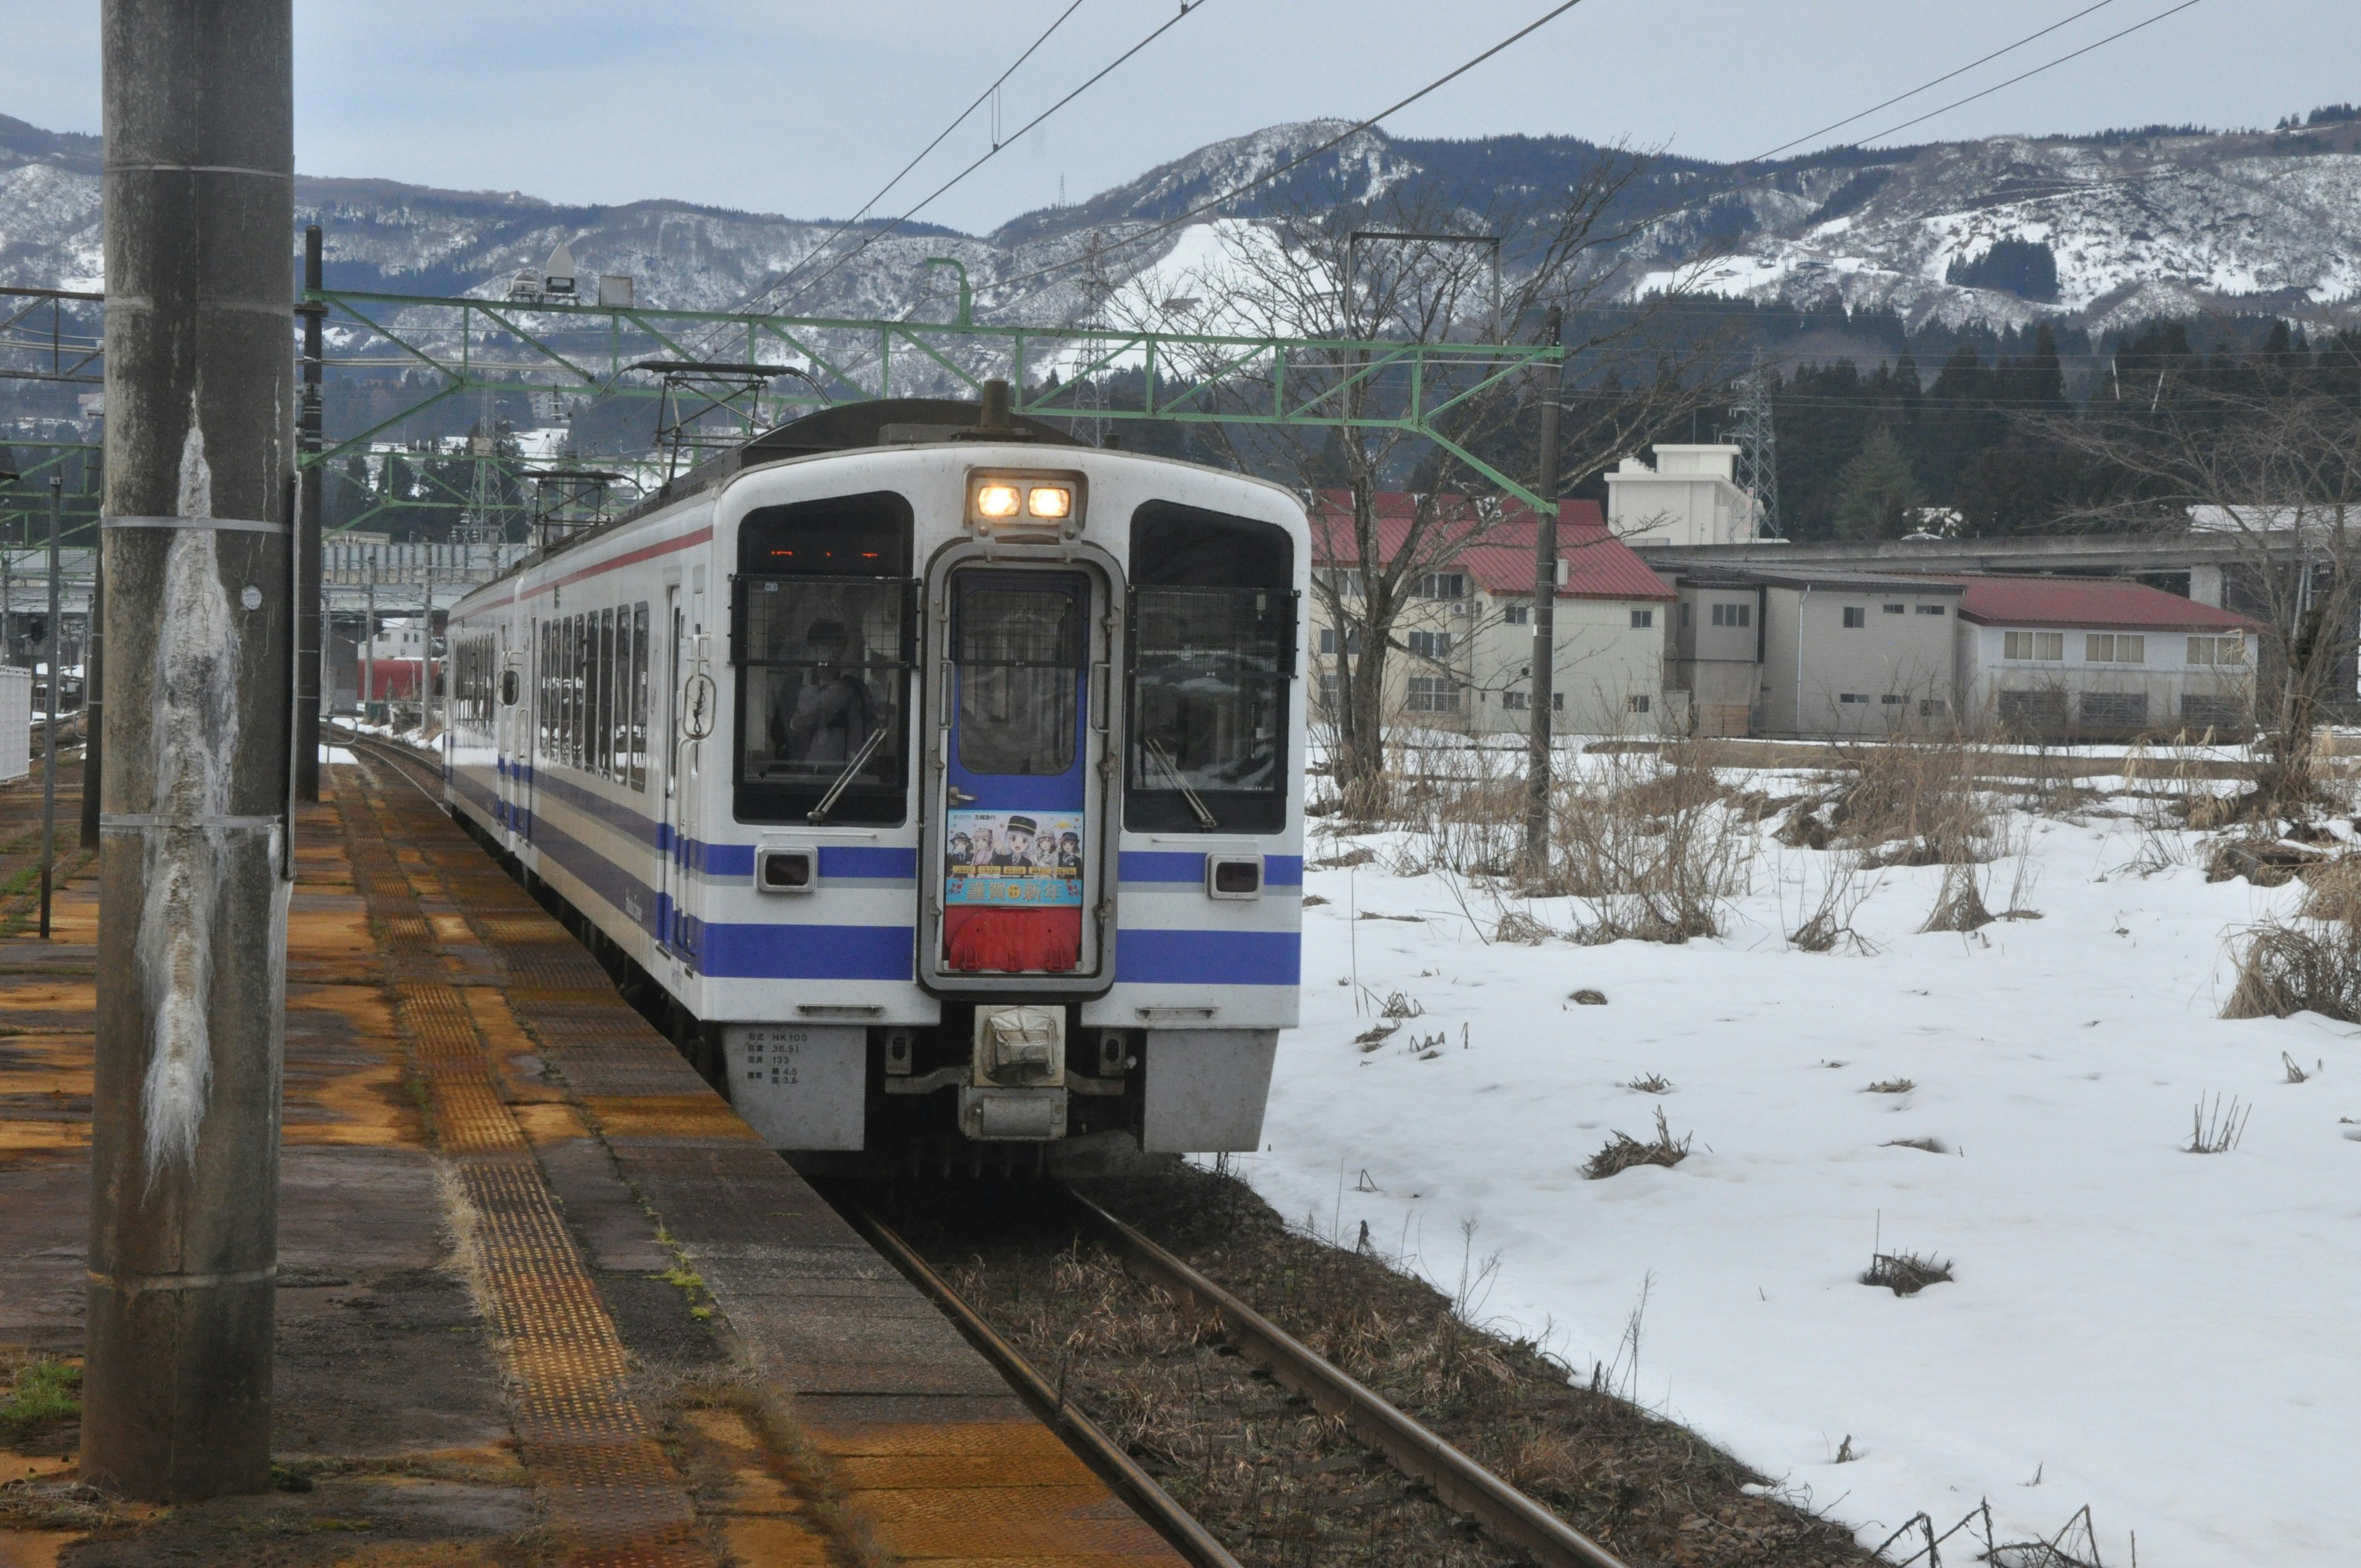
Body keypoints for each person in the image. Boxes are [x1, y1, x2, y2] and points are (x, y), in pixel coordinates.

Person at [772, 619, 870, 767]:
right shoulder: (793, 687)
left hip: (843, 775)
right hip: (797, 773)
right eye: (821, 647)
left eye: (834, 648)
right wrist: (795, 723)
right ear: (811, 650)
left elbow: (867, 737)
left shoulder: (855, 689)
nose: (828, 655)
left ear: (842, 651)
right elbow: (777, 733)